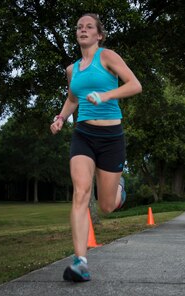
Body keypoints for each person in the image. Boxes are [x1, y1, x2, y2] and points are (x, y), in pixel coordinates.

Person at [50, 13, 142, 282]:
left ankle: (120, 188)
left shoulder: (108, 57)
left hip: (112, 136)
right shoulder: (72, 69)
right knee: (80, 192)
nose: (83, 30)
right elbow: (72, 99)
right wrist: (60, 118)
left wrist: (106, 95)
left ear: (99, 35)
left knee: (106, 206)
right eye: (79, 27)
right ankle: (80, 261)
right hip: (83, 134)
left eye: (89, 26)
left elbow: (135, 85)